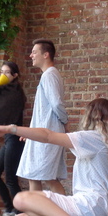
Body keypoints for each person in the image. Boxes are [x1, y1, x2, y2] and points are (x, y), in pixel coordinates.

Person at [15, 39, 68, 194]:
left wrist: (65, 121)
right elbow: (43, 110)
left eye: (34, 52)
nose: (31, 55)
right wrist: (31, 132)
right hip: (42, 132)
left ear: (46, 55)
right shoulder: (49, 75)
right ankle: (38, 209)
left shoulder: (49, 75)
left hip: (47, 133)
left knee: (49, 178)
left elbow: (56, 103)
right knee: (34, 175)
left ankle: (64, 208)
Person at [0, 62, 27, 216]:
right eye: (1, 72)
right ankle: (10, 209)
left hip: (15, 139)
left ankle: (20, 213)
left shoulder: (16, 94)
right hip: (8, 139)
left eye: (7, 72)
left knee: (11, 179)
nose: (3, 75)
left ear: (15, 75)